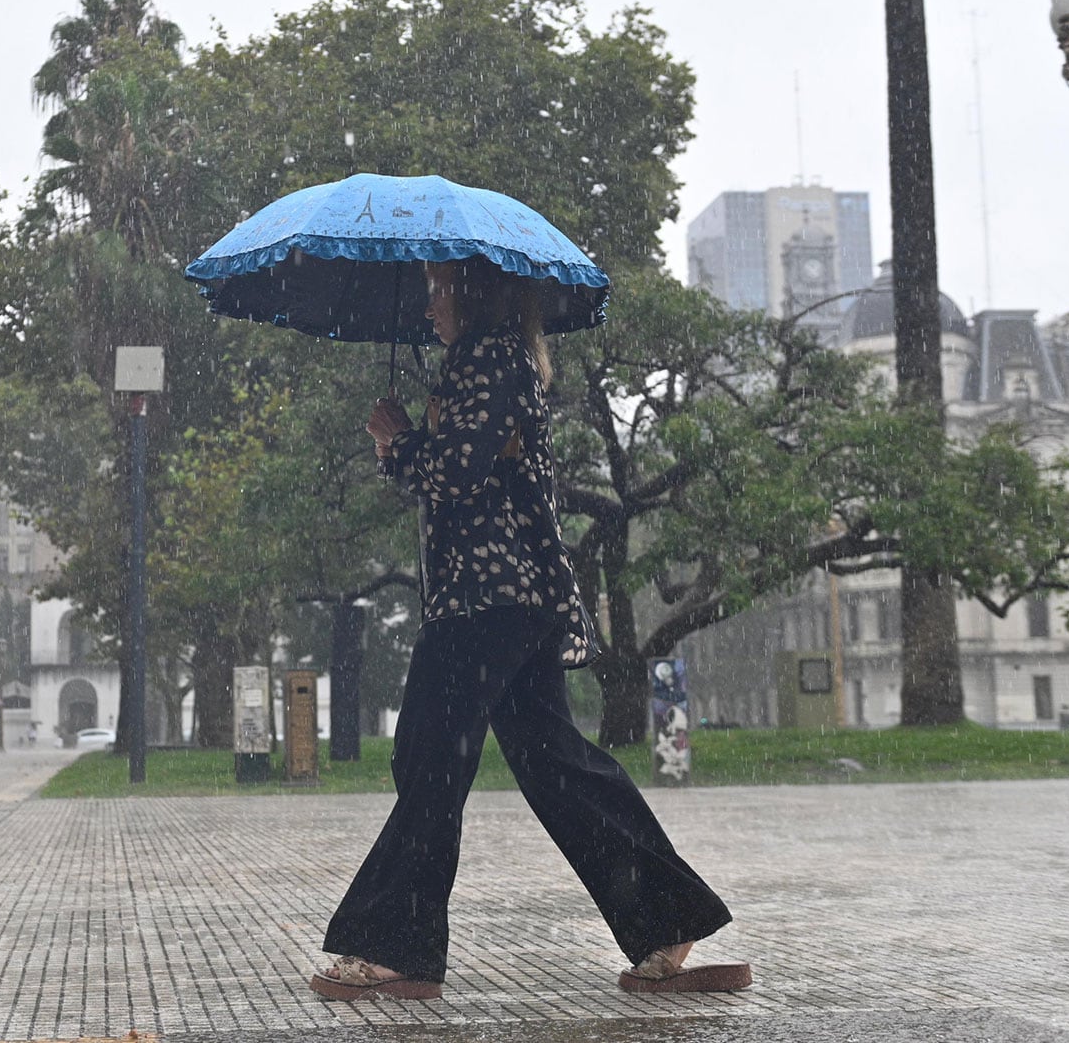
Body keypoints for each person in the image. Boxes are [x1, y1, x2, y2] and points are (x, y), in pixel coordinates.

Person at [309, 259, 749, 1002]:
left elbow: (458, 474)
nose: (429, 306)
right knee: (556, 765)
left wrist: (402, 440)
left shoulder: (487, 357)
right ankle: (666, 920)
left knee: (430, 760)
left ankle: (394, 947)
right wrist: (402, 451)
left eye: (437, 289)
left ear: (471, 292)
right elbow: (467, 478)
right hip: (513, 598)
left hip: (488, 600)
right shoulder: (496, 360)